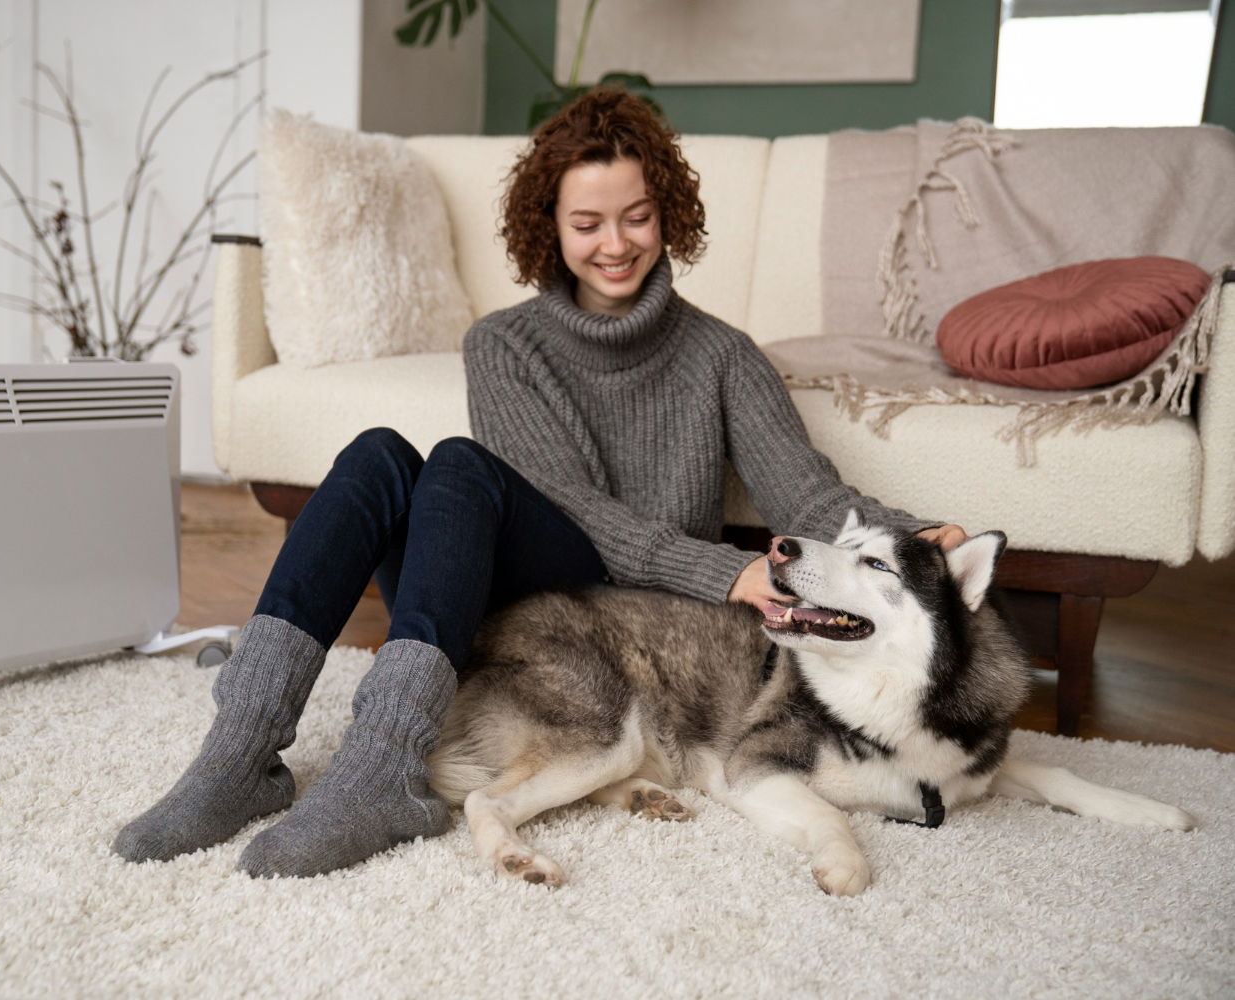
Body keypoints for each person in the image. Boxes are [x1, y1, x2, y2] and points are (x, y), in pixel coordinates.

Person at [113, 88, 963, 878]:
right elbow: (573, 506)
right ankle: (240, 753)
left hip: (619, 627)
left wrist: (912, 537)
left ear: (668, 215)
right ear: (548, 227)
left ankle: (381, 770)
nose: (616, 243)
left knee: (454, 463)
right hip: (491, 593)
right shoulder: (504, 346)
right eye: (588, 222)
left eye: (637, 217)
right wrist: (725, 571)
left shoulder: (723, 356)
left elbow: (807, 494)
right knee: (379, 454)